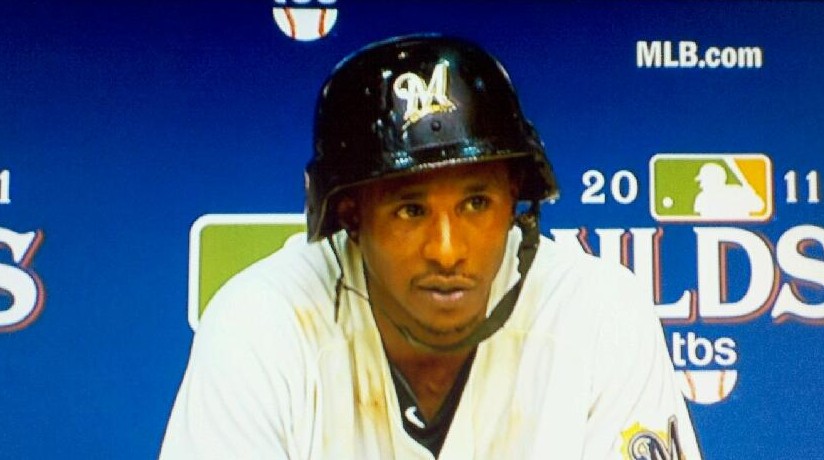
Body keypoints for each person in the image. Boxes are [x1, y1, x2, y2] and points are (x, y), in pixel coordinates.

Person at [160, 35, 702, 459]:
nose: (446, 250)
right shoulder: (264, 324)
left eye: (476, 203)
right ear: (350, 215)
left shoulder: (597, 313)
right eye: (411, 210)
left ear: (516, 199)